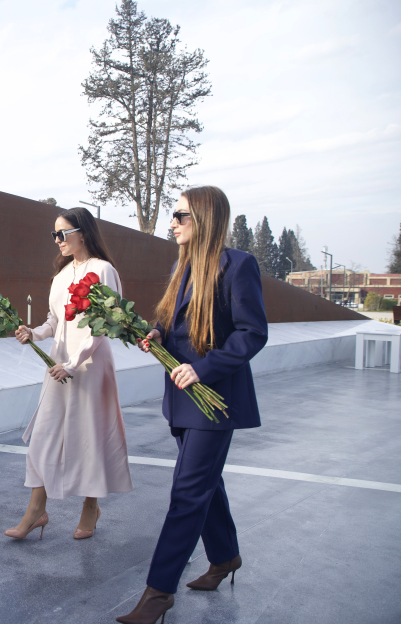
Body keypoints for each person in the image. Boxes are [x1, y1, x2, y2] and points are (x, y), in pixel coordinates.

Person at [116, 186, 268, 624]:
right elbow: (170, 319)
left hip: (215, 398)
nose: (172, 223)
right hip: (182, 396)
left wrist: (204, 368)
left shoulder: (238, 265)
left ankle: (158, 592)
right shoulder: (181, 265)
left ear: (203, 216)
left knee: (187, 491)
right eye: (173, 215)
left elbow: (251, 333)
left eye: (180, 215)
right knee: (204, 482)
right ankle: (225, 557)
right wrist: (157, 334)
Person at [7, 207, 132, 540]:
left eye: (63, 233)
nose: (57, 240)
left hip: (90, 366)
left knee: (90, 435)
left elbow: (103, 326)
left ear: (83, 233)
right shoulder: (60, 276)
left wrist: (74, 363)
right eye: (54, 235)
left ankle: (91, 507)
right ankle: (37, 510)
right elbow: (54, 322)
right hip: (58, 364)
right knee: (44, 437)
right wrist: (32, 333)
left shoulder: (104, 270)